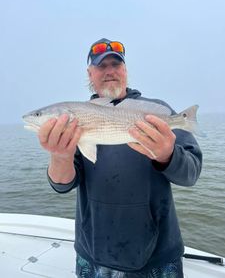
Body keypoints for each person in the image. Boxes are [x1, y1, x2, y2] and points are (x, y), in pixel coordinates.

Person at [38, 38, 202, 278]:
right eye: (101, 66)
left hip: (158, 255)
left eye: (116, 64)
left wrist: (168, 155)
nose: (109, 71)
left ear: (125, 70)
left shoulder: (157, 111)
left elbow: (191, 174)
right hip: (93, 254)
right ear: (89, 74)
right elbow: (62, 186)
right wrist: (60, 156)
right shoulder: (74, 120)